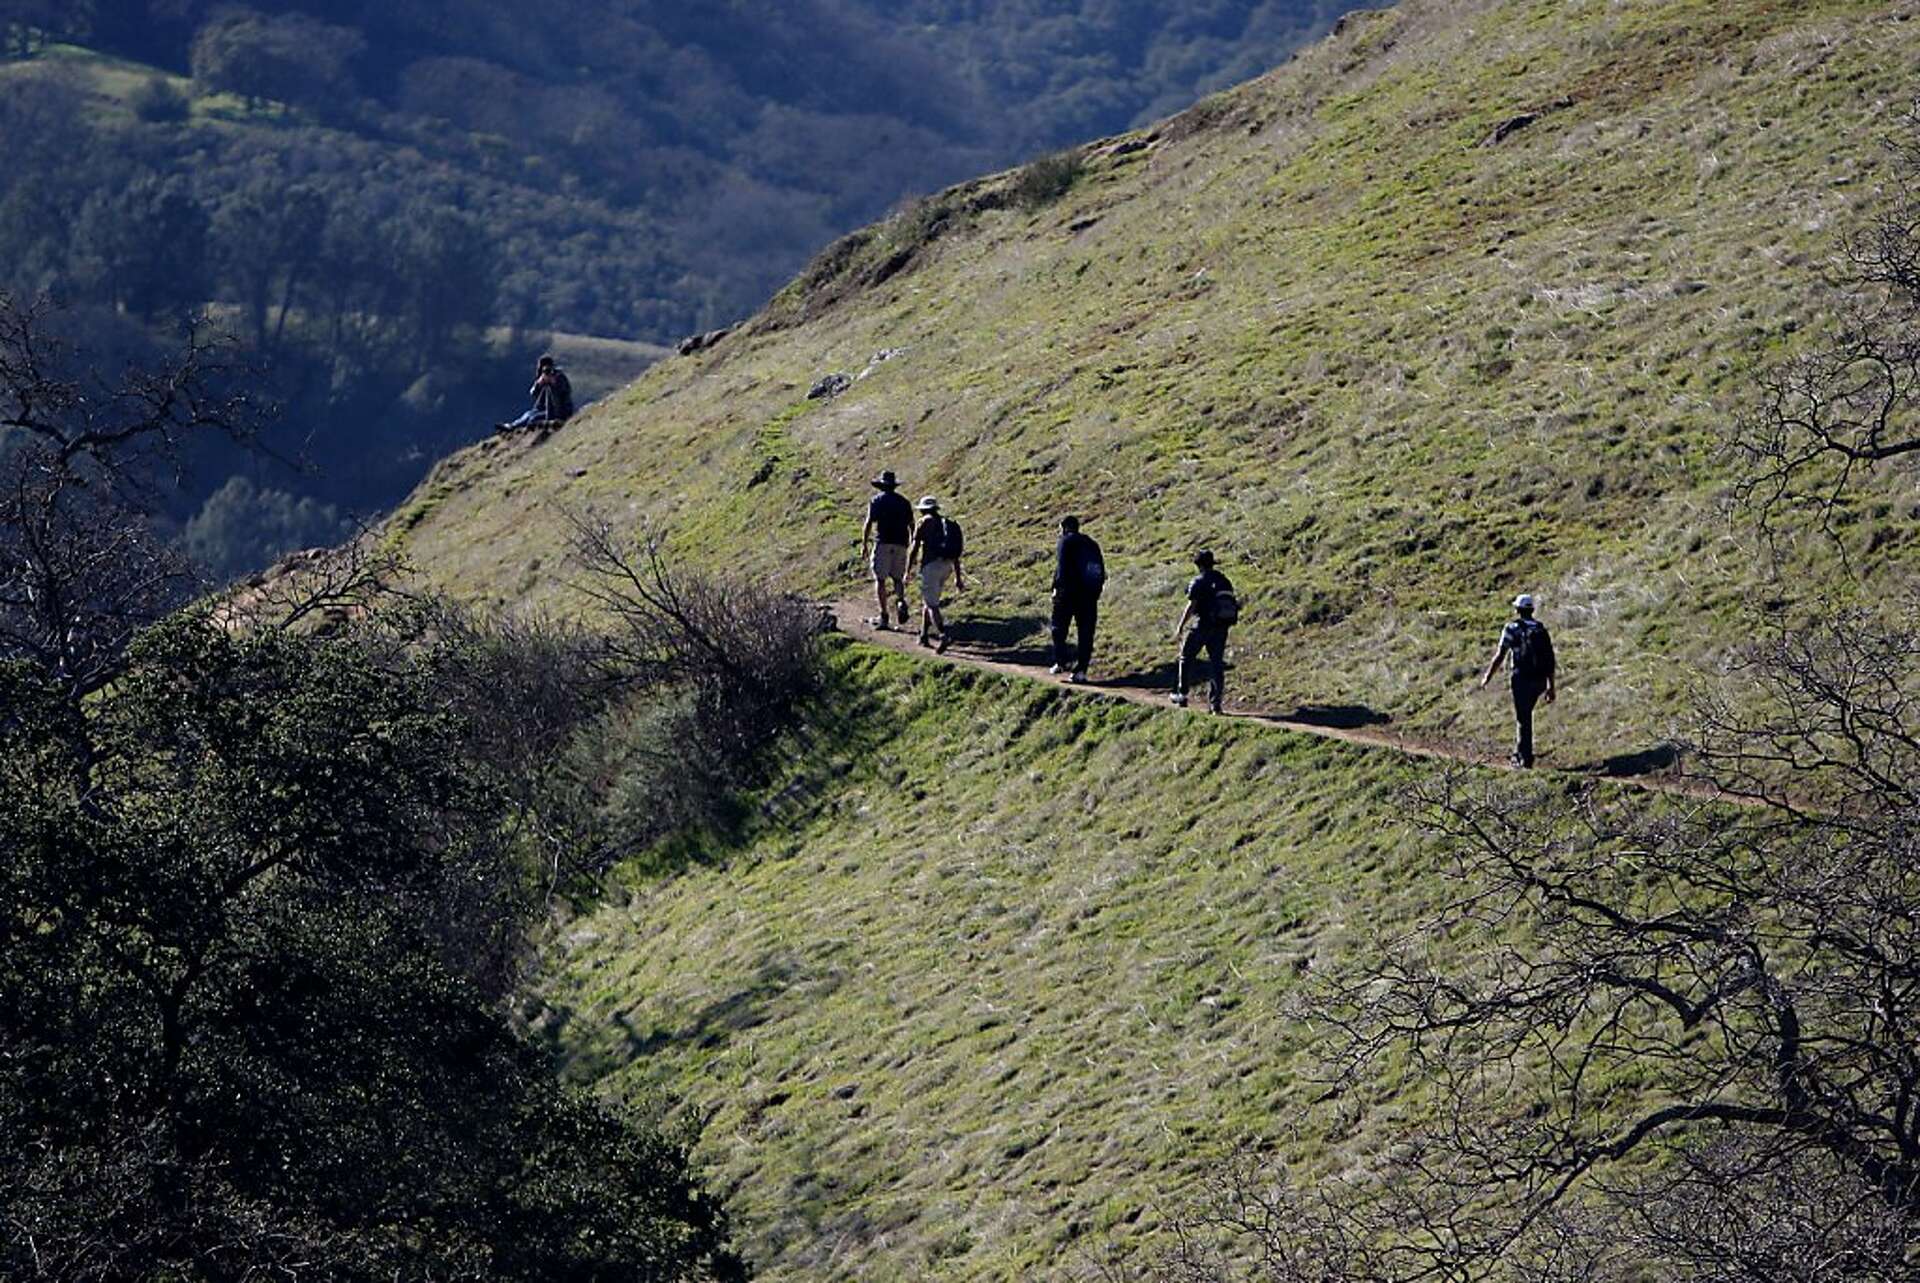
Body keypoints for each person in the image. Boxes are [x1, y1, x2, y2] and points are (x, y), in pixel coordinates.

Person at [1480, 593, 1557, 768]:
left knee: (1523, 718)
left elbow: (1500, 655)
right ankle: (1521, 752)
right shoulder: (1541, 629)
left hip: (1521, 678)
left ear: (1517, 610)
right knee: (1526, 715)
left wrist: (1487, 677)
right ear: (1532, 610)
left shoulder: (1511, 629)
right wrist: (1551, 687)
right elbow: (1550, 660)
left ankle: (1524, 758)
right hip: (1539, 680)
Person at [1169, 549, 1237, 713]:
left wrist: (1180, 626)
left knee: (1186, 657)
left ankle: (1182, 694)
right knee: (1216, 664)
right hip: (1221, 627)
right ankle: (1215, 705)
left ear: (1198, 565)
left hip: (1202, 625)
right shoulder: (1224, 580)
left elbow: (1191, 606)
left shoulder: (1198, 581)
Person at [1048, 515, 1104, 682]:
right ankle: (1081, 671)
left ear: (1064, 527)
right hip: (1088, 595)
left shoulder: (1065, 542)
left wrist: (1056, 589)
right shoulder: (1091, 544)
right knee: (1086, 633)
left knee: (1058, 628)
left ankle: (1060, 661)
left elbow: (1062, 568)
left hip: (1068, 593)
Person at [905, 495, 964, 653]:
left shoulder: (924, 522)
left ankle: (943, 634)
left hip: (930, 566)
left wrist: (907, 570)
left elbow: (914, 548)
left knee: (932, 605)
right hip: (947, 566)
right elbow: (955, 555)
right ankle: (923, 635)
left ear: (923, 510)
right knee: (929, 600)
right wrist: (958, 578)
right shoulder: (947, 524)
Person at [860, 470, 914, 629]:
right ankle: (900, 600)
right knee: (897, 578)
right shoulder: (904, 502)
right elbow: (912, 524)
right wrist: (911, 541)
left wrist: (864, 543)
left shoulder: (876, 501)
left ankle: (884, 615)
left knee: (881, 579)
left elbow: (869, 523)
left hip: (883, 542)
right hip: (901, 543)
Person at [497, 354, 573, 432]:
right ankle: (511, 426)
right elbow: (533, 393)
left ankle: (543, 425)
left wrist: (554, 383)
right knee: (528, 414)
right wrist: (539, 384)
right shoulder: (543, 379)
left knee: (533, 418)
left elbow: (564, 393)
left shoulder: (559, 377)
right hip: (544, 409)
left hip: (559, 411)